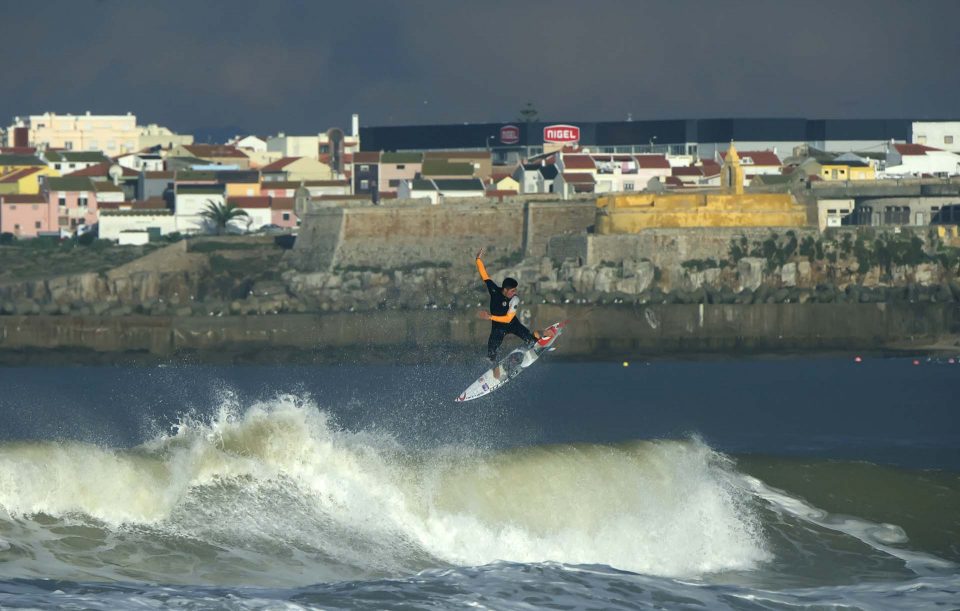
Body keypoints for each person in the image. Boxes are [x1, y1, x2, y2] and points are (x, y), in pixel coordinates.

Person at [474, 247, 547, 365]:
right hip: (498, 327)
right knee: (491, 352)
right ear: (505, 290)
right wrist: (478, 259)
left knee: (529, 340)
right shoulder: (494, 290)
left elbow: (508, 318)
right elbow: (485, 275)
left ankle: (540, 336)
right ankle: (492, 365)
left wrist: (490, 317)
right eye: (512, 291)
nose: (515, 292)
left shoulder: (515, 299)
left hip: (512, 324)